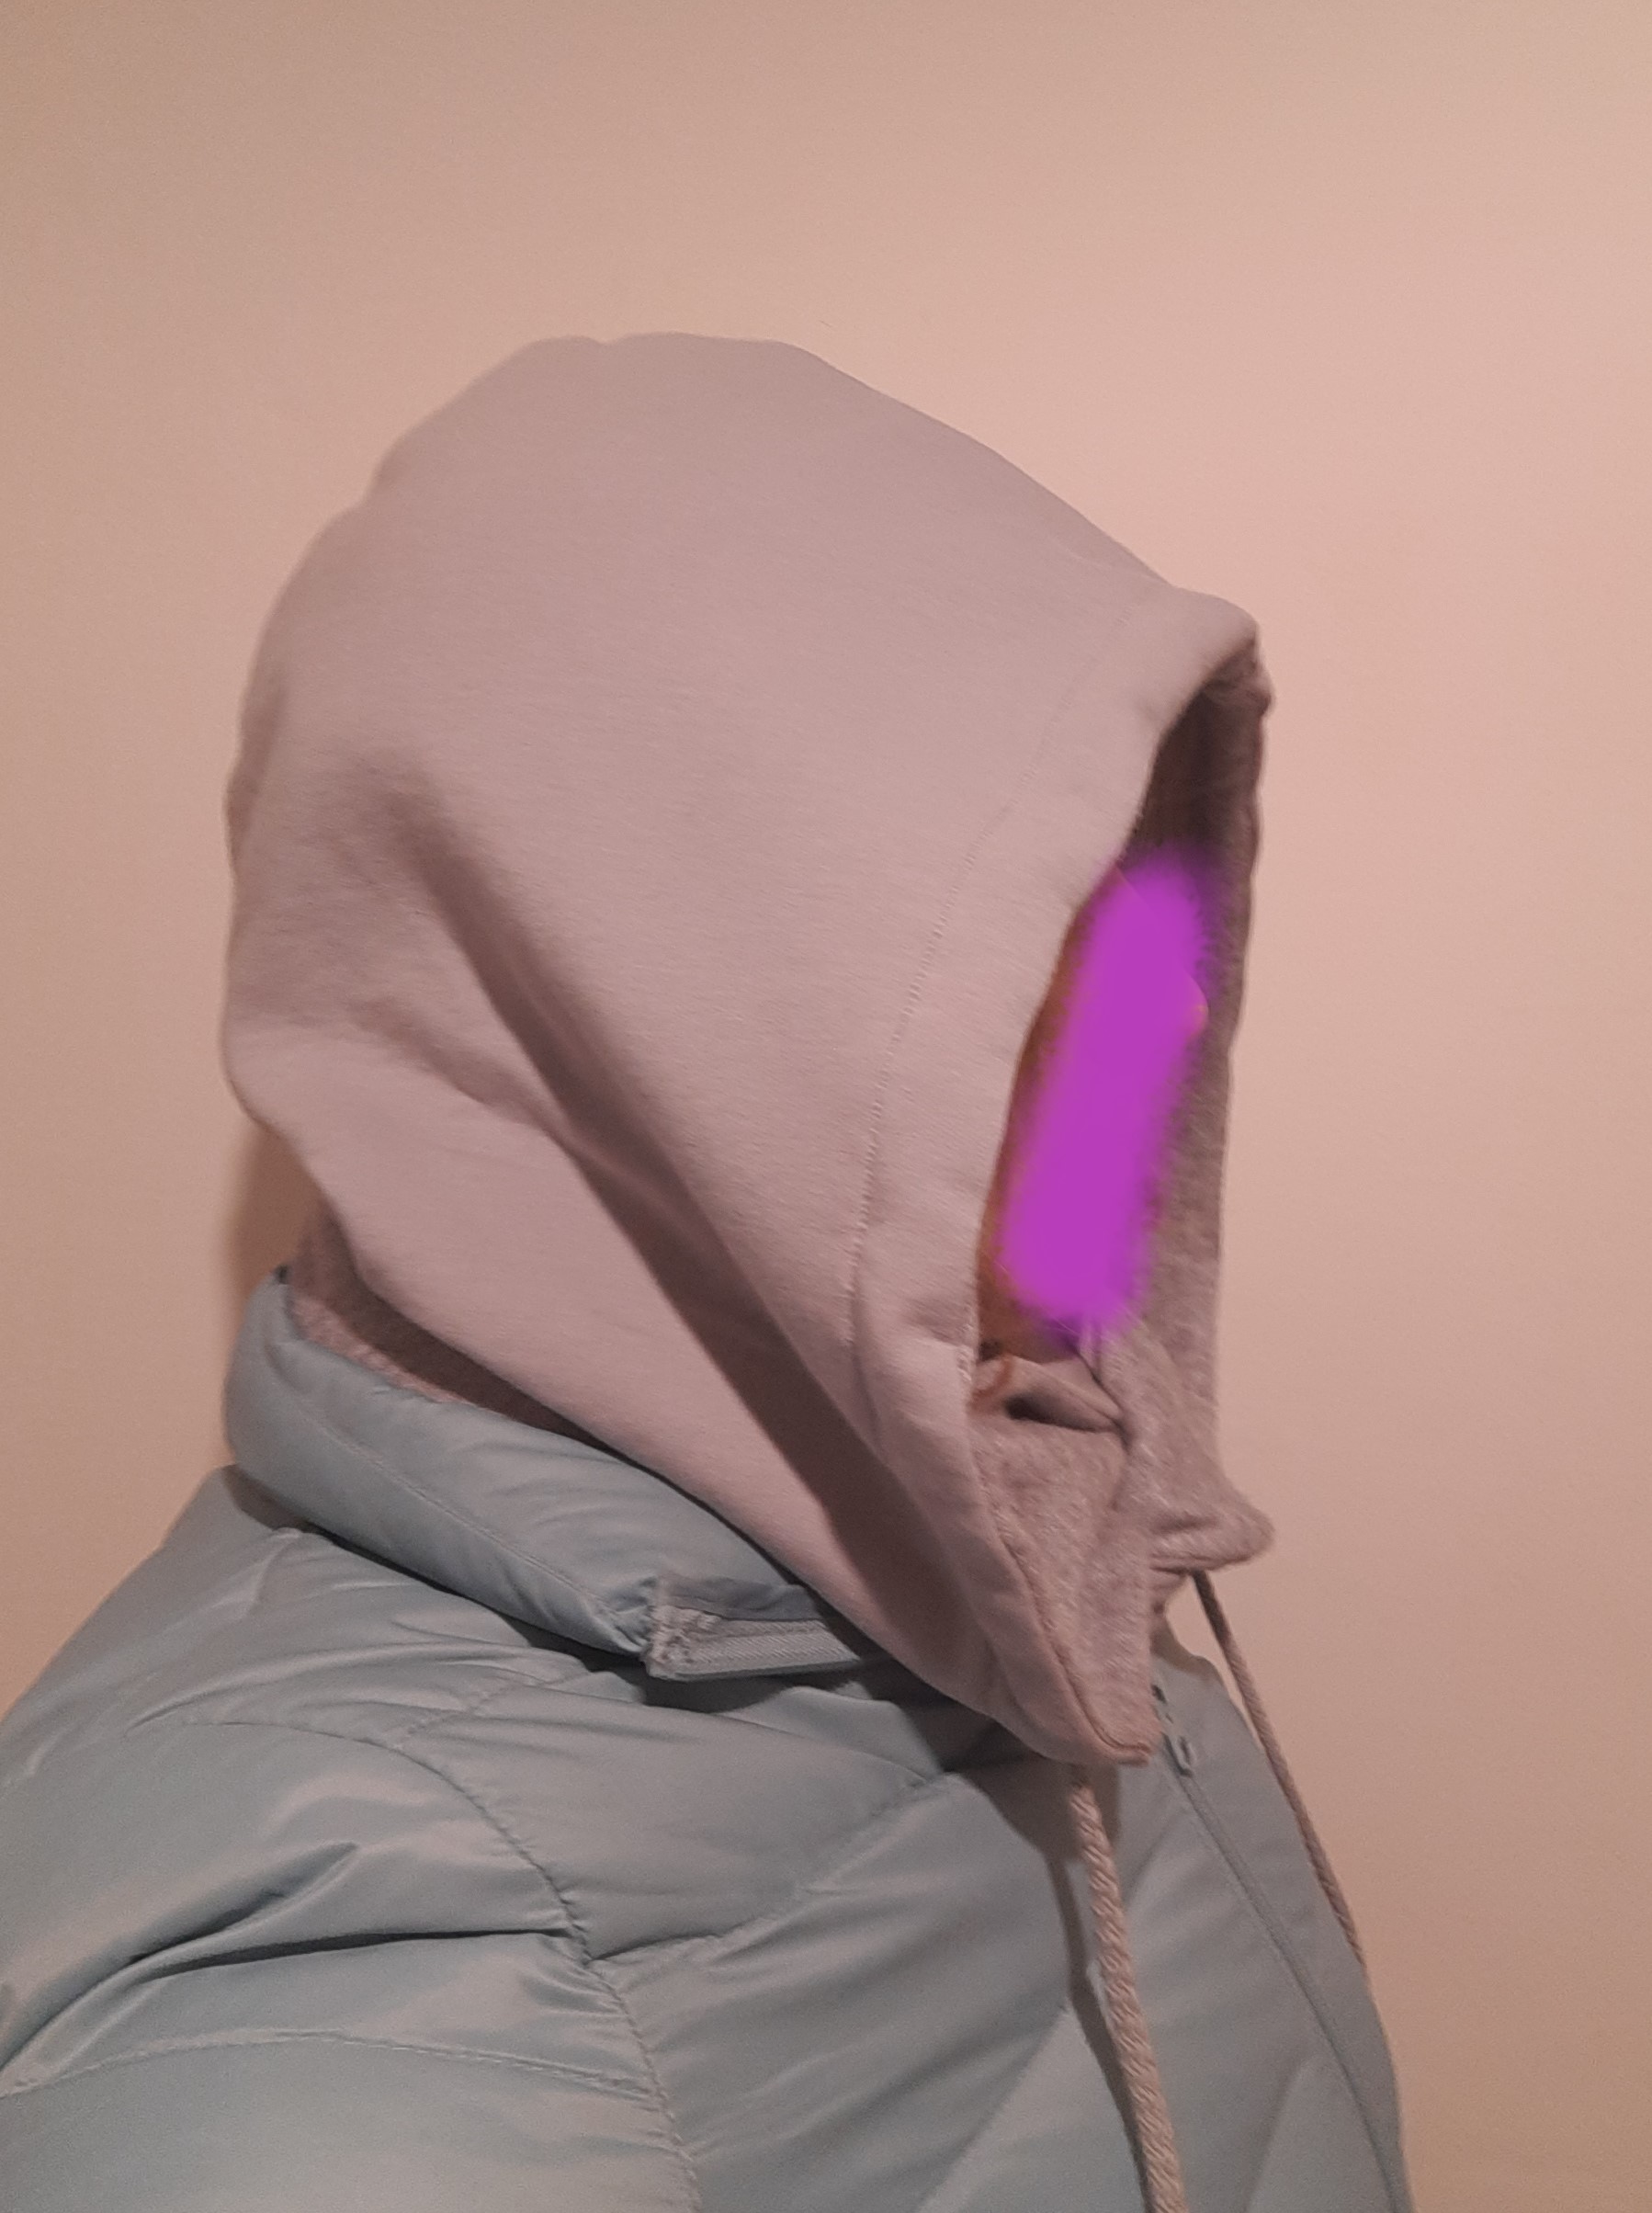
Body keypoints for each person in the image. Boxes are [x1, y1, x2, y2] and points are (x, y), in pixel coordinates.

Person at [0, 335, 1415, 2213]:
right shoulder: (337, 2052)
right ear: (627, 1014)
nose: (1166, 1005)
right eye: (1014, 930)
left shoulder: (1016, 1527)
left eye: (1147, 895)